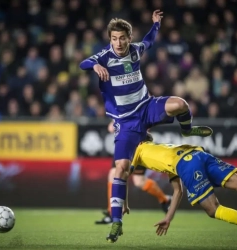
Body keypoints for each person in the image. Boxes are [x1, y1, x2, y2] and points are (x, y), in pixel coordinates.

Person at [79, 10, 213, 242]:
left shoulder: (135, 50)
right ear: (110, 39)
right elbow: (84, 61)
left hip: (146, 107)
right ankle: (117, 222)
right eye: (114, 38)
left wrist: (156, 24)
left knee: (180, 104)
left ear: (129, 38)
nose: (118, 43)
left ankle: (187, 129)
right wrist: (94, 67)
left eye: (122, 38)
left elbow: (149, 40)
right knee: (120, 168)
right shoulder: (105, 57)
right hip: (126, 122)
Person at [118, 141, 237, 245]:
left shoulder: (136, 150)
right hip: (197, 154)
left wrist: (124, 205)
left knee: (213, 209)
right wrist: (168, 218)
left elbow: (123, 177)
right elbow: (178, 191)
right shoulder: (162, 150)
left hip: (187, 164)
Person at [95, 121, 172, 224]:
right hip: (123, 145)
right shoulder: (122, 109)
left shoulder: (139, 109)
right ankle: (112, 213)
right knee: (113, 174)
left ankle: (164, 199)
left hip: (138, 147)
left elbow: (146, 127)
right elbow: (110, 127)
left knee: (139, 181)